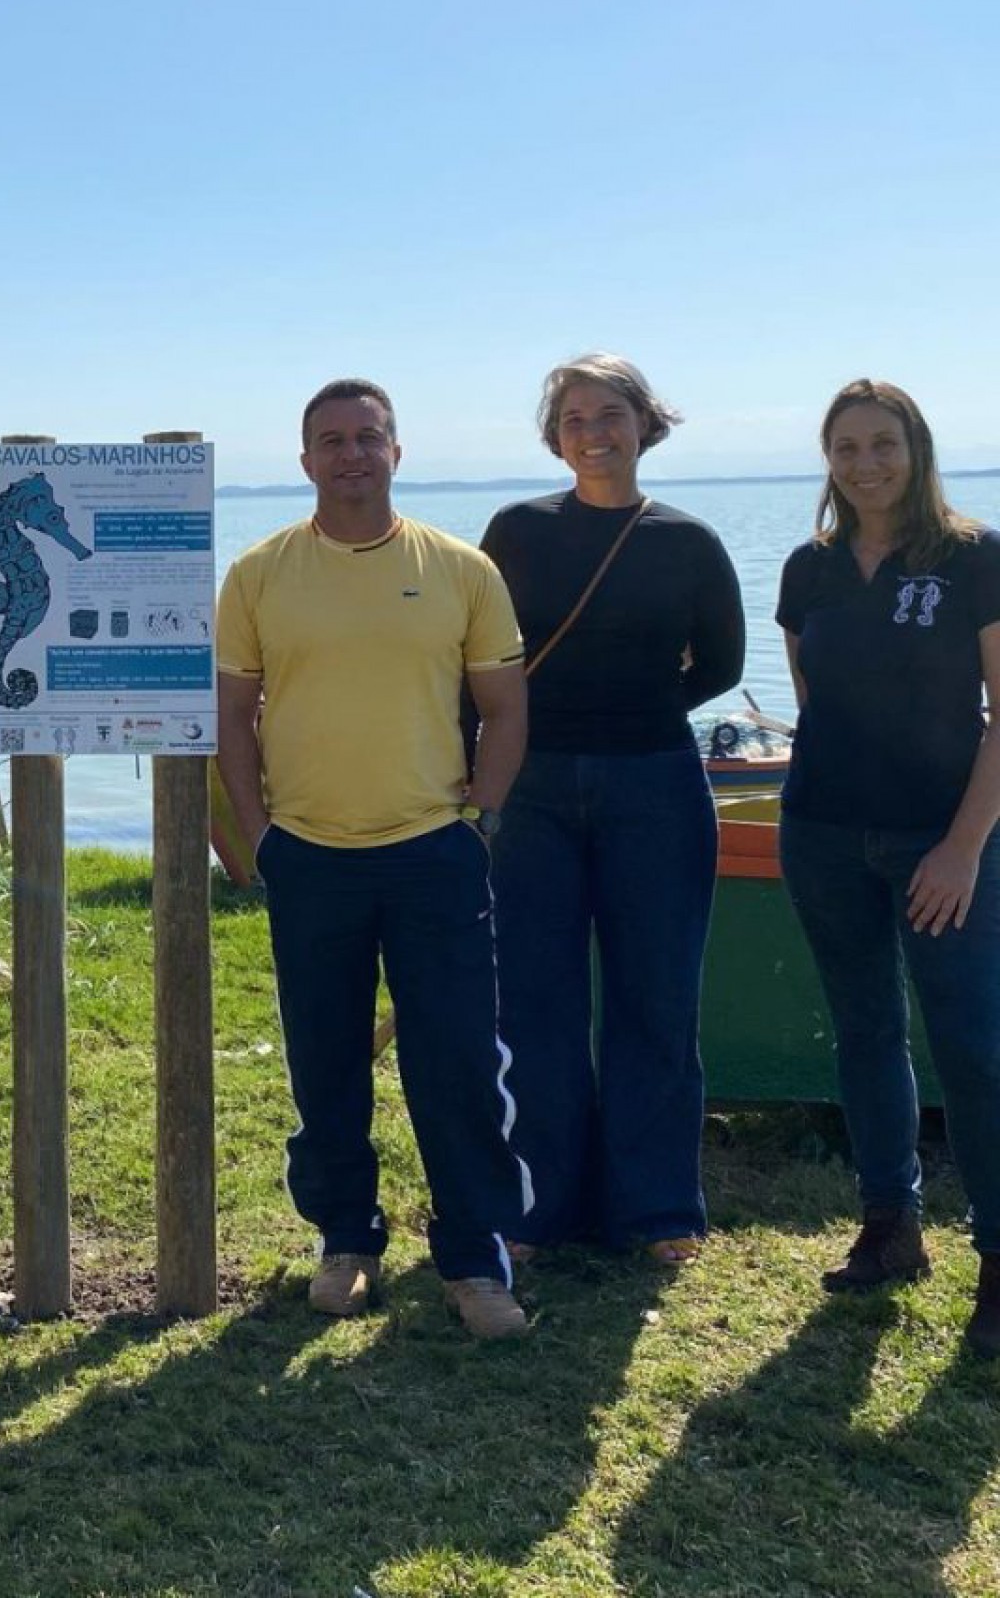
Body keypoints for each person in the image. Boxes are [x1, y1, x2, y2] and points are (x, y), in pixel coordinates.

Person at [215, 381, 534, 1337]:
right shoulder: (260, 574)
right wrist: (259, 830)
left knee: (459, 1062)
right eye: (331, 441)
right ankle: (346, 1239)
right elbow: (231, 717)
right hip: (310, 854)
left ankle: (475, 1258)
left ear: (398, 451)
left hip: (434, 849)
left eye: (368, 437)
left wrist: (479, 819)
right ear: (304, 458)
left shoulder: (460, 569)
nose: (351, 454)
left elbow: (506, 708)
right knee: (326, 1059)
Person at [479, 354, 744, 1264]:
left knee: (655, 998)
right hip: (534, 785)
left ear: (646, 423)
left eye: (612, 413)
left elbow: (722, 666)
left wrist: (636, 710)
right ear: (556, 438)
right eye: (576, 417)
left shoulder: (689, 543)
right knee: (535, 1002)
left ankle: (657, 1207)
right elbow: (480, 656)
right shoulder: (513, 532)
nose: (595, 431)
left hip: (656, 785)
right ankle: (543, 1203)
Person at [776, 378, 1000, 1355]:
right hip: (823, 834)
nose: (866, 464)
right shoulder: (808, 568)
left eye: (884, 444)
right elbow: (814, 699)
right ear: (827, 460)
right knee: (865, 1032)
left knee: (975, 1050)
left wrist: (961, 848)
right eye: (846, 448)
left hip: (939, 843)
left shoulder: (975, 558)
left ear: (917, 449)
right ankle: (890, 1226)